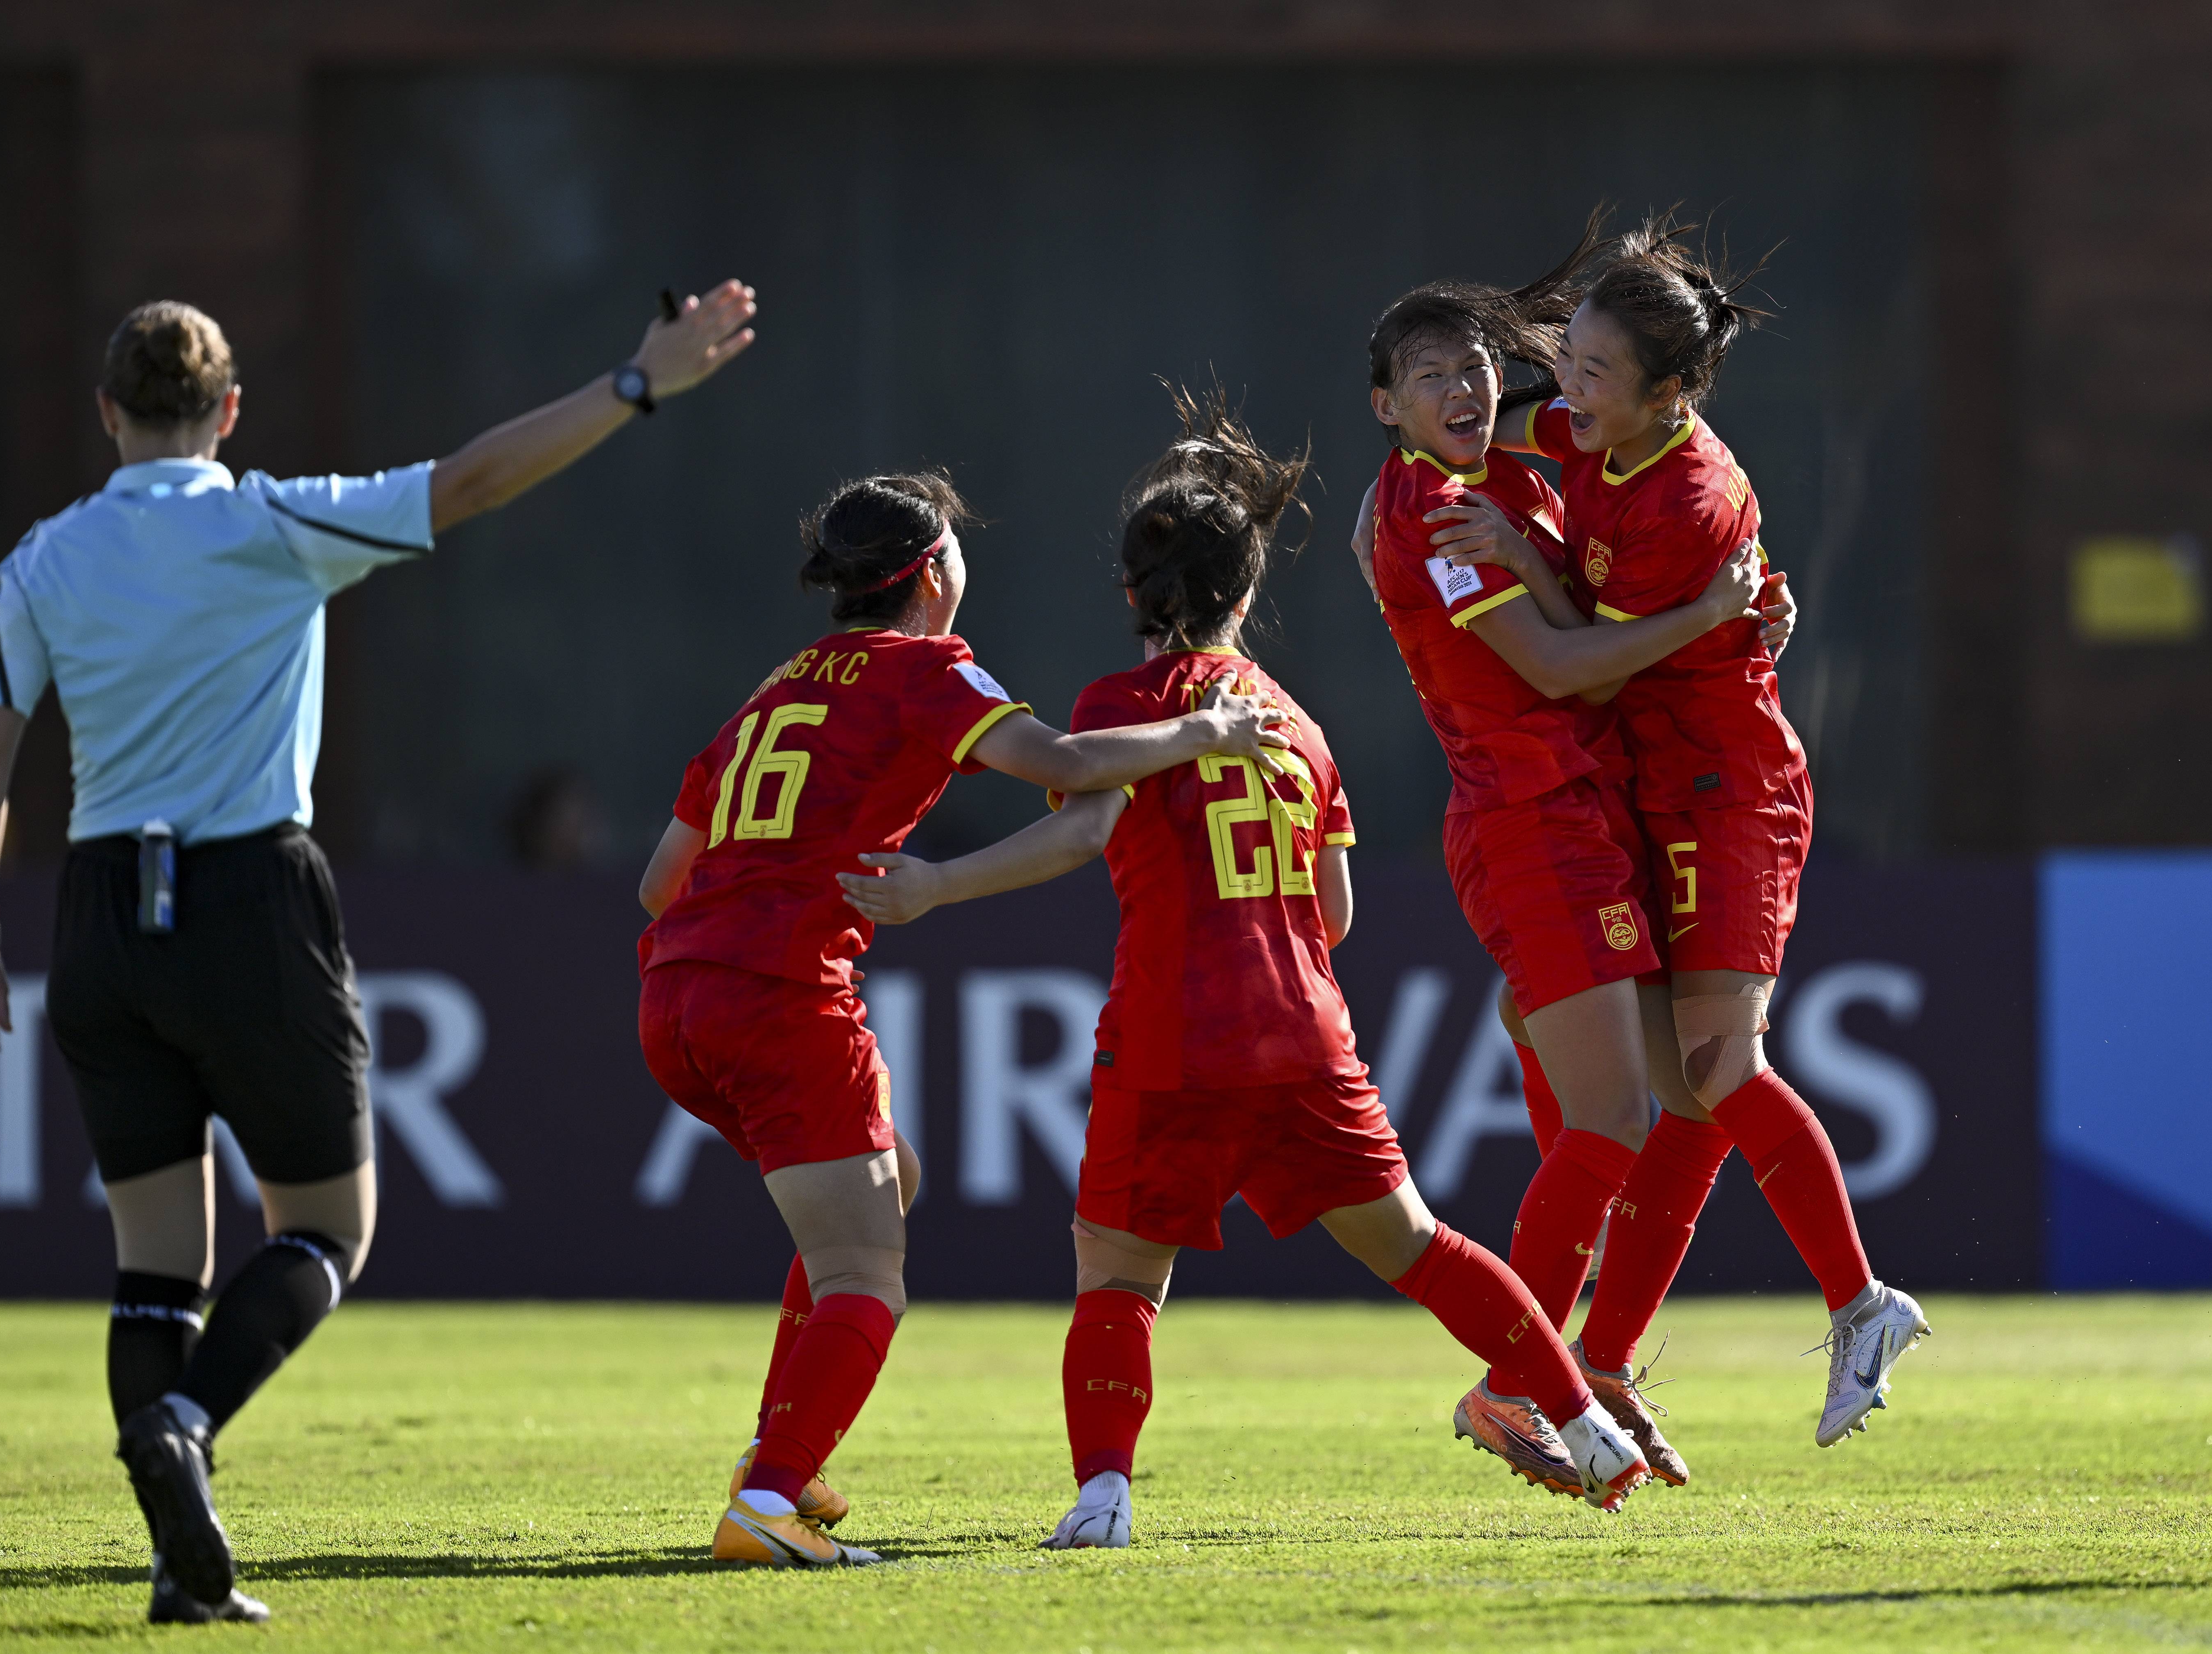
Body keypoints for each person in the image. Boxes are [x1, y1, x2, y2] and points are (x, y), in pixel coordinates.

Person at [0, 282, 759, 1623]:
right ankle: (190, 1427)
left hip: (97, 914)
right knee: (326, 1226)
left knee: (157, 1267)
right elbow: (477, 480)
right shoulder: (273, 522)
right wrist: (632, 385)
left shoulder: (38, 561)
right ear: (230, 411)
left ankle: (177, 1563)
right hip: (249, 895)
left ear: (108, 414)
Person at [835, 386, 1658, 1546]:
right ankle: (1584, 1421)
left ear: (1132, 594)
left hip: (1172, 1035)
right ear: (1247, 594)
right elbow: (1336, 912)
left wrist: (933, 886)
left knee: (1119, 1279)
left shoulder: (1118, 708)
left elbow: (1077, 834)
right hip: (1302, 1036)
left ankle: (1104, 1497)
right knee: (1421, 1247)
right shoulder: (1298, 725)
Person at [635, 469, 1293, 1567]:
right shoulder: (928, 668)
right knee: (865, 1273)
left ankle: (781, 1453)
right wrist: (1201, 735)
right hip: (783, 999)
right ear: (937, 570)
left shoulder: (776, 686)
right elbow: (1070, 766)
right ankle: (768, 1505)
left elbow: (664, 879)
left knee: (893, 1178)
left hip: (677, 998)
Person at [1482, 214, 1929, 1463]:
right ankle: (1602, 1361)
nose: (1567, 384)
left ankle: (1859, 1303)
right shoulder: (1604, 432)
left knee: (1718, 1069)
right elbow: (1510, 429)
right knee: (1648, 1081)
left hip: (1724, 792)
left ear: (1669, 390)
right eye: (1566, 353)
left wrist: (1513, 550)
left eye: (1594, 369)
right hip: (1655, 779)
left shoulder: (1683, 493)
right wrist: (1430, 440)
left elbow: (1588, 658)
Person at [1353, 259, 1765, 1493]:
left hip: (1596, 811)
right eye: (1431, 377)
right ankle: (1526, 1383)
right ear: (1387, 407)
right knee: (1625, 1120)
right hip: (1531, 821)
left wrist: (1745, 605)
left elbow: (1644, 465)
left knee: (1687, 1110)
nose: (1467, 387)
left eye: (1477, 366)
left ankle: (1603, 1363)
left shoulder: (1514, 477)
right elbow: (1559, 667)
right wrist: (1707, 615)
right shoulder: (1429, 511)